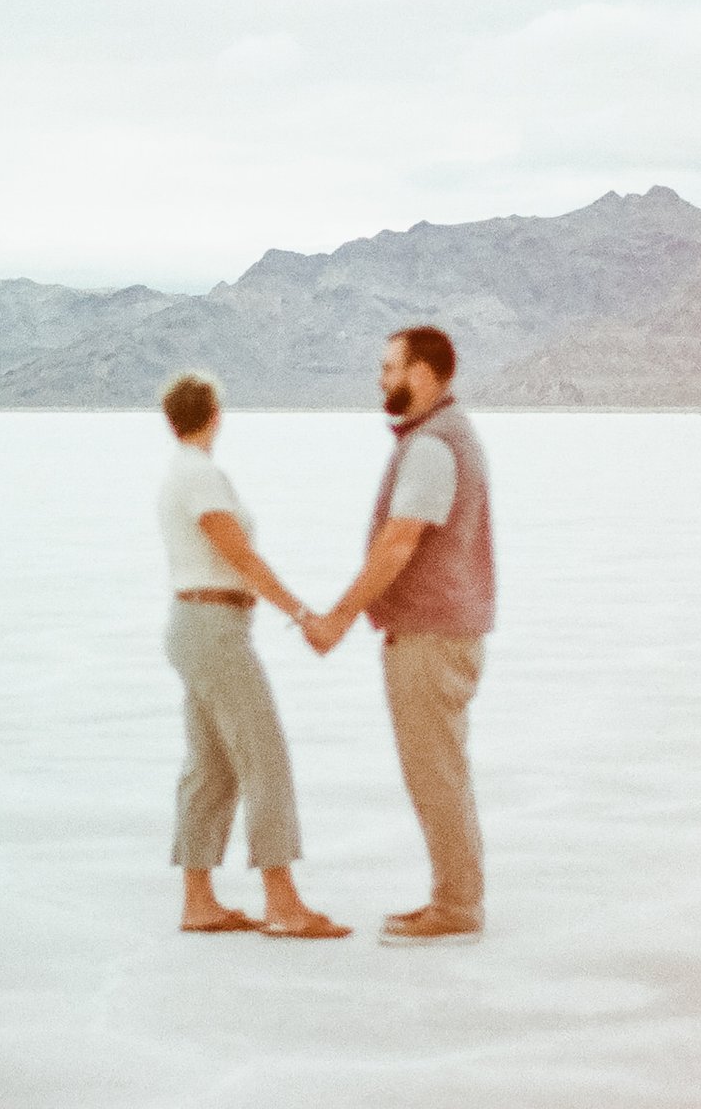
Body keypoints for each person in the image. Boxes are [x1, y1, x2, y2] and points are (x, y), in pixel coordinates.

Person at [302, 325, 494, 944]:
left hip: (431, 635)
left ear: (423, 373)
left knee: (434, 771)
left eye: (390, 367)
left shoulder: (435, 445)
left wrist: (337, 617)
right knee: (440, 769)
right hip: (438, 631)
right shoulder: (440, 437)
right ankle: (454, 898)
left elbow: (397, 544)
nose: (380, 379)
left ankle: (457, 907)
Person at [155, 371, 350, 940]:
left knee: (212, 764)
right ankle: (283, 903)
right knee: (264, 756)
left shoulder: (183, 474)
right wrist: (302, 613)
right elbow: (241, 556)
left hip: (198, 627)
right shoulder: (200, 477)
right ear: (214, 414)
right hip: (213, 629)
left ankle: (199, 901)